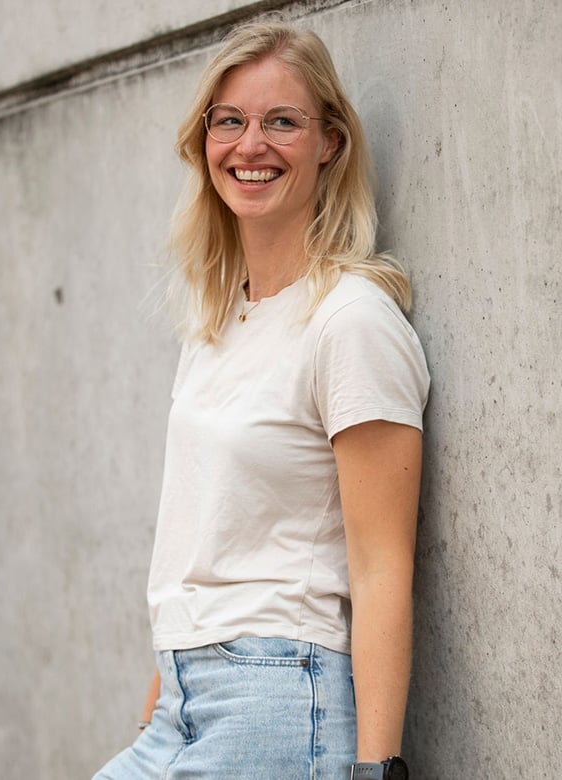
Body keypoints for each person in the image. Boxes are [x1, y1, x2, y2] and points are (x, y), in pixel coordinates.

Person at [93, 18, 430, 780]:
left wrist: (378, 771)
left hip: (278, 697)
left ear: (330, 142)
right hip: (183, 698)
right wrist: (158, 705)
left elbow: (382, 566)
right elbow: (199, 538)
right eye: (230, 122)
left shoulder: (351, 322)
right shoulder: (215, 322)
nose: (251, 146)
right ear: (204, 139)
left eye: (282, 122)